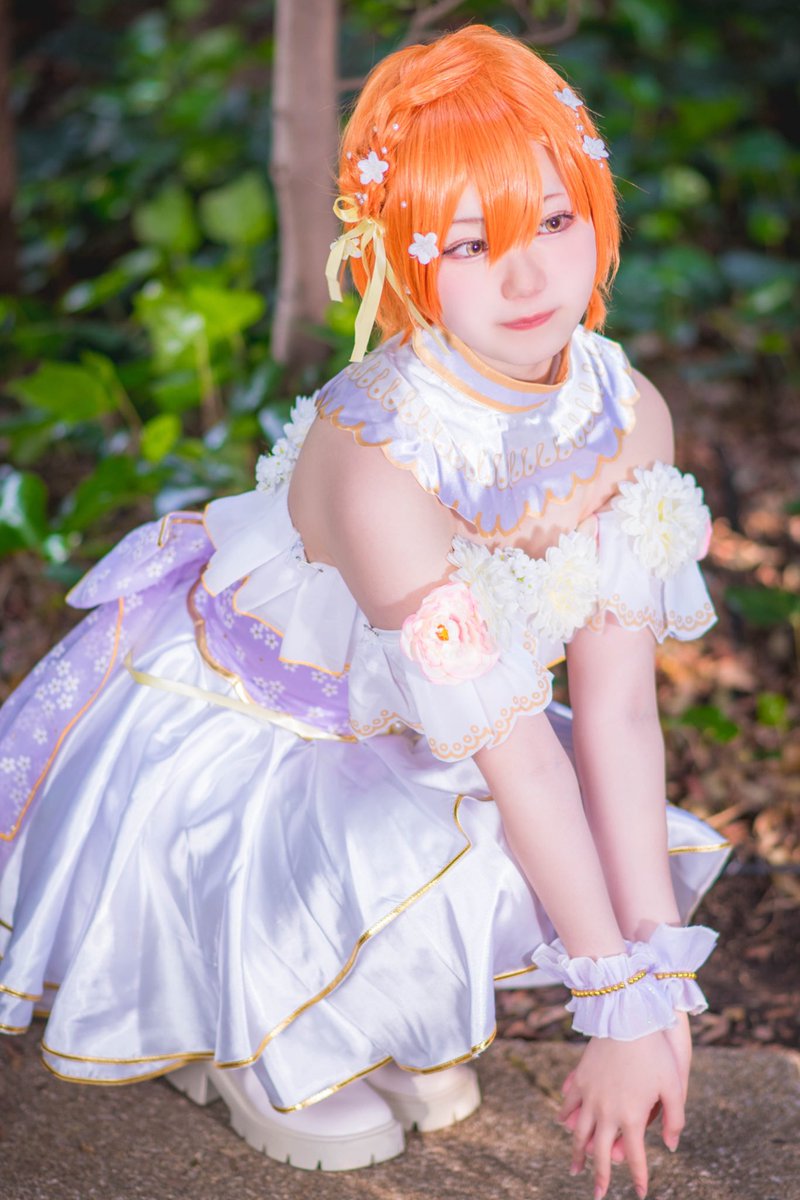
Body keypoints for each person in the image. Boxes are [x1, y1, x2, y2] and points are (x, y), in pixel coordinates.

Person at [0, 24, 728, 1199]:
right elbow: (509, 754)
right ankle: (252, 1027)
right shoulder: (381, 455)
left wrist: (652, 991)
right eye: (470, 242)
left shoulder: (621, 409)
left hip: (422, 733)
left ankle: (355, 1008)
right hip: (267, 736)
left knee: (531, 826)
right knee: (460, 819)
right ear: (400, 251)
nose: (529, 277)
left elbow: (615, 717)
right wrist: (608, 1001)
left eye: (552, 219)